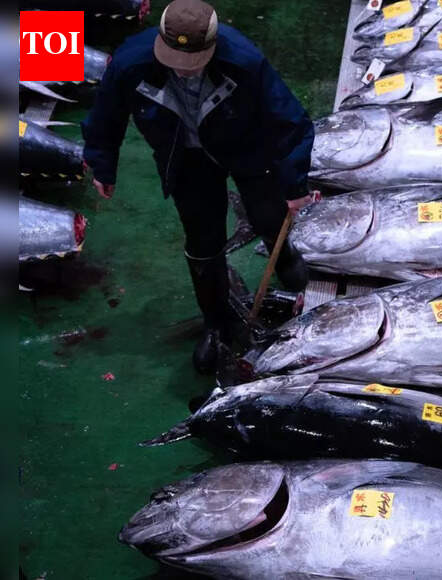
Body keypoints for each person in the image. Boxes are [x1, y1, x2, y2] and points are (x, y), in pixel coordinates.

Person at [82, 0, 315, 373]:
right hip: (184, 156)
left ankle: (285, 258)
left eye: (192, 62)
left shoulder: (244, 60)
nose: (183, 71)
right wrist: (103, 166)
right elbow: (106, 116)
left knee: (268, 214)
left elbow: (289, 121)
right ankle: (216, 322)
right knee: (202, 241)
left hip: (245, 146)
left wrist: (294, 184)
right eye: (173, 59)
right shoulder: (130, 62)